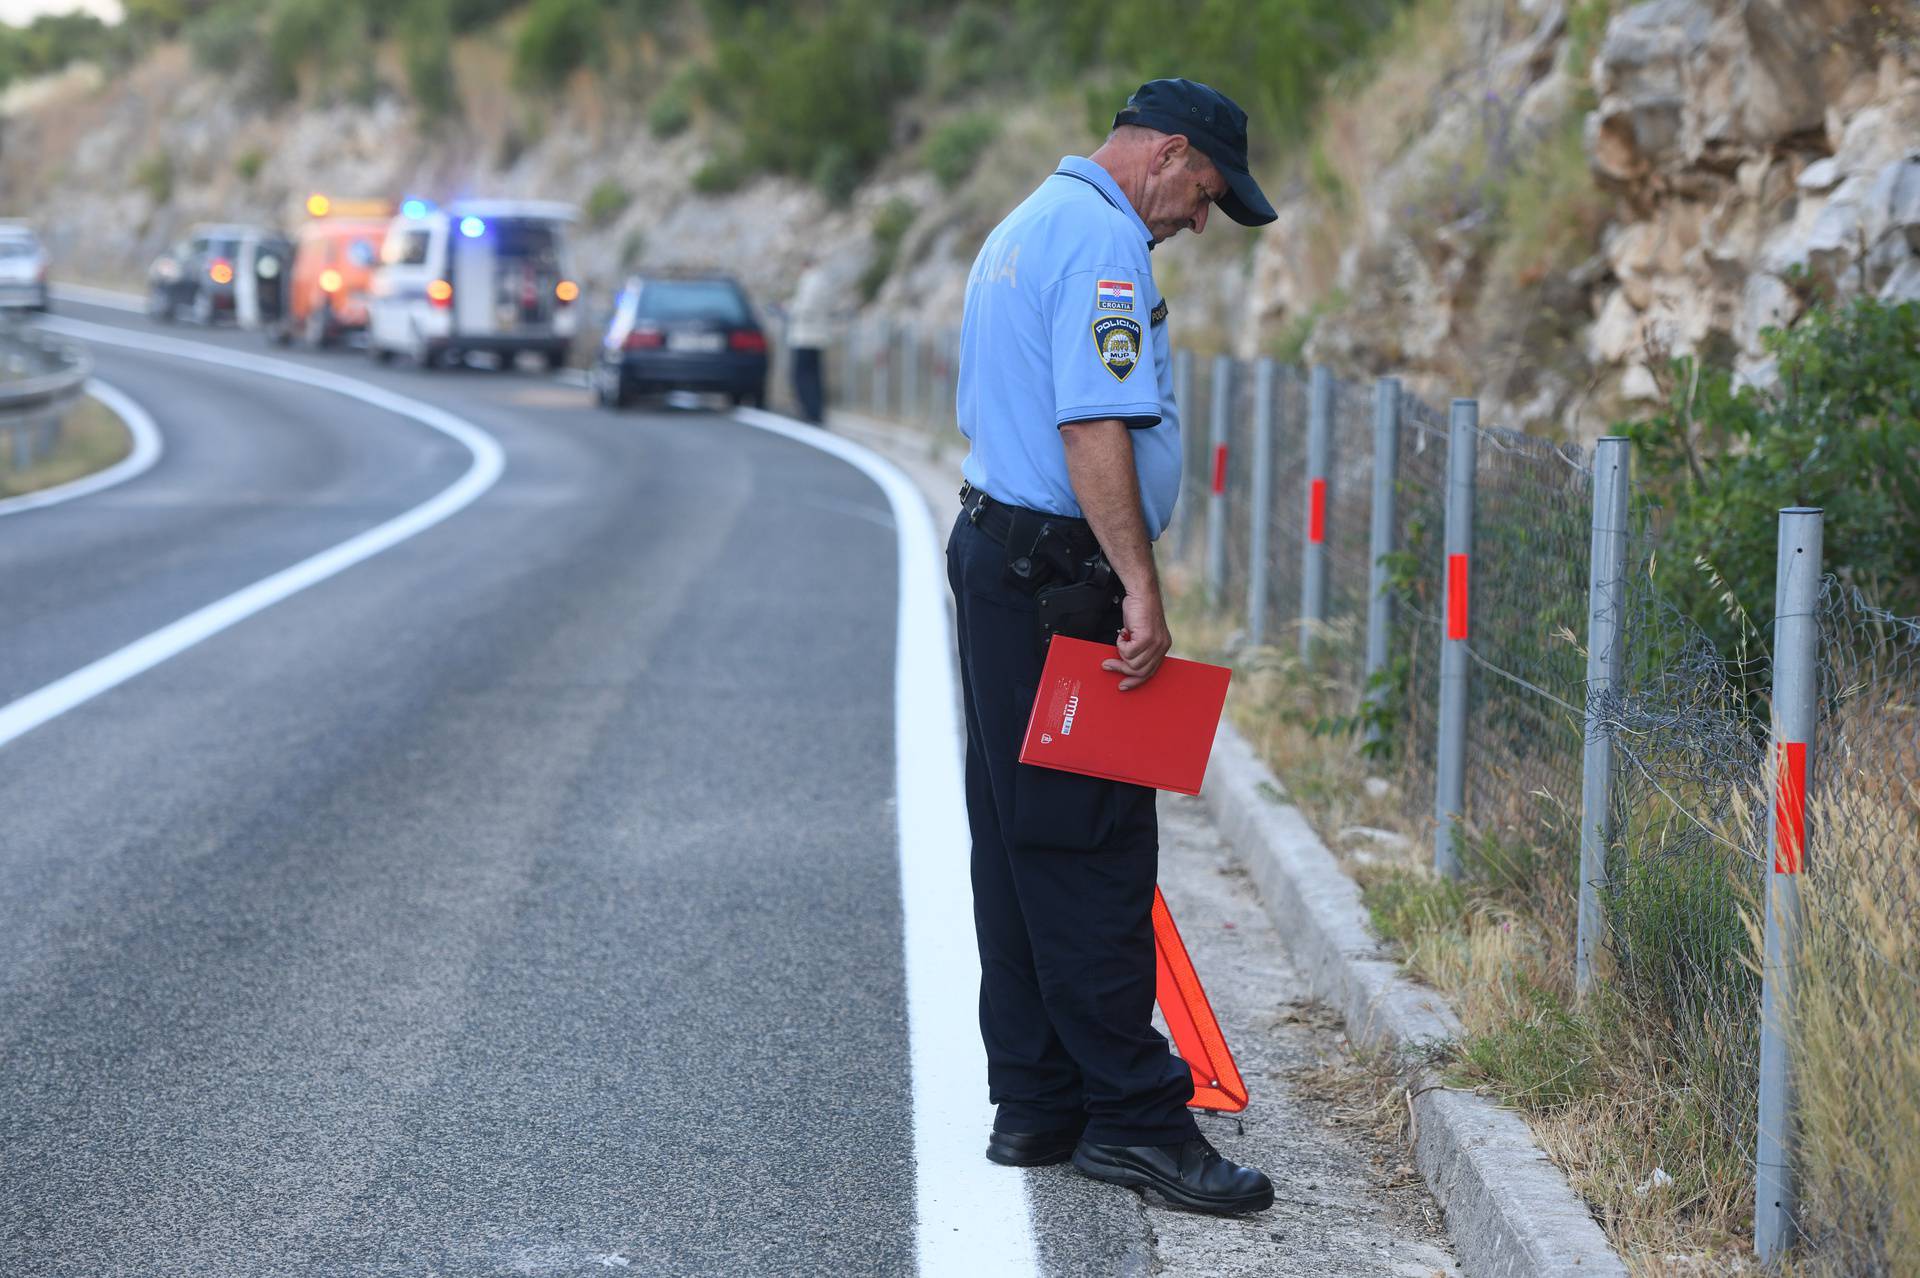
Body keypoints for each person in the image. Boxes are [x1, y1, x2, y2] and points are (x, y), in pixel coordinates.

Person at [946, 78, 1279, 1216]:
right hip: (1061, 581)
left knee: (1017, 834)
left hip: (1000, 561)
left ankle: (1038, 1100)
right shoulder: (1102, 247)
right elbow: (1093, 425)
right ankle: (1137, 1123)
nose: (1198, 220)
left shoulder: (1027, 222)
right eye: (1205, 194)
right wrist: (1138, 584)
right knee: (1090, 849)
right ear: (1170, 153)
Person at [785, 255, 833, 425]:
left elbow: (805, 306)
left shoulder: (811, 280)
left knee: (802, 375)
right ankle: (815, 410)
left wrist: (788, 309)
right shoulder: (824, 280)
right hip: (818, 336)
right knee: (814, 375)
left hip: (806, 336)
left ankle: (809, 410)